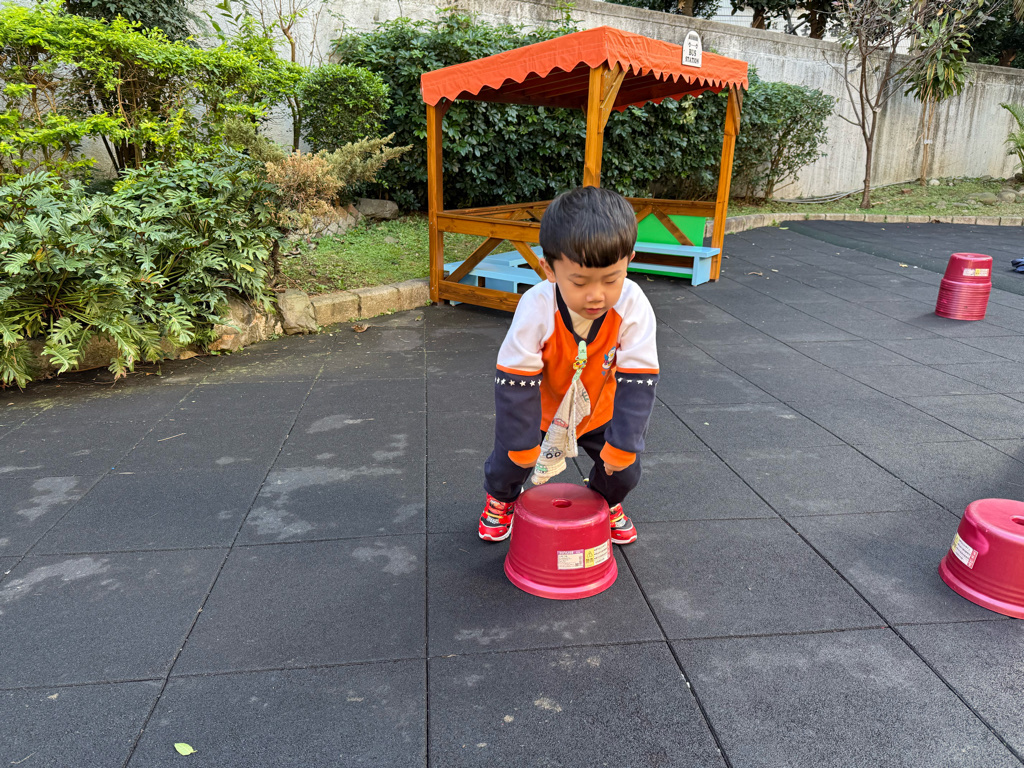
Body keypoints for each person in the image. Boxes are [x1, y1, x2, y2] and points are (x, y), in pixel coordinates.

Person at [479, 186, 659, 545]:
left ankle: (605, 500)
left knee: (625, 469)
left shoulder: (633, 304)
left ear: (629, 261)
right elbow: (514, 376)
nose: (596, 295)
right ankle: (502, 499)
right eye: (579, 281)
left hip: (597, 408)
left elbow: (639, 377)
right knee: (510, 461)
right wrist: (522, 440)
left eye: (611, 279)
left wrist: (624, 443)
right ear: (549, 268)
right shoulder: (537, 307)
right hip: (542, 408)